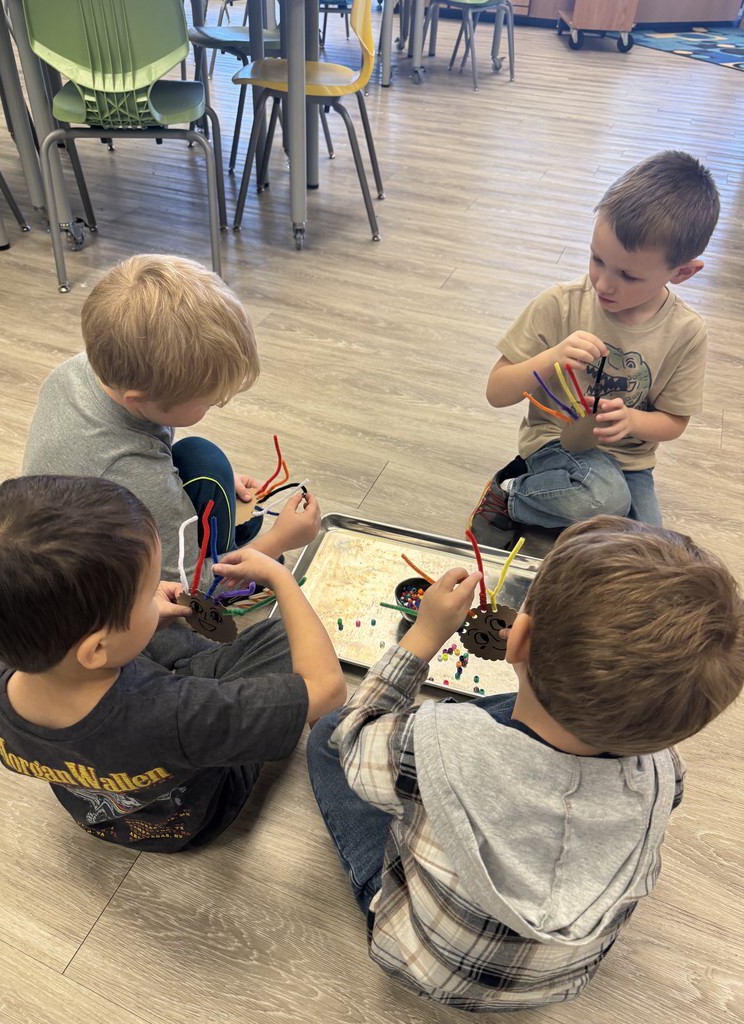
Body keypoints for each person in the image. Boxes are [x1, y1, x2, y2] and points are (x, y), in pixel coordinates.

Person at [306, 516, 744, 1012]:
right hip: (551, 983)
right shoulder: (667, 775)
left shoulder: (429, 743)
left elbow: (356, 736)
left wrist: (423, 636)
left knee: (327, 736)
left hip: (420, 959)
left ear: (515, 640)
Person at [0, 475, 346, 852]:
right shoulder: (179, 714)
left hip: (103, 812)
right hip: (198, 811)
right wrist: (281, 579)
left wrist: (142, 613)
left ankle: (168, 647)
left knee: (156, 634)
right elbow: (328, 689)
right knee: (284, 637)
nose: (158, 594)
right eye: (147, 593)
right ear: (97, 649)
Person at [469, 151, 721, 550]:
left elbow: (674, 421)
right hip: (556, 442)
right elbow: (496, 391)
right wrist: (552, 358)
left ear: (683, 272)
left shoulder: (686, 333)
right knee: (607, 499)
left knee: (654, 551)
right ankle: (509, 496)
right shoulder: (561, 304)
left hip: (631, 464)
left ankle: (569, 513)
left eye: (628, 275)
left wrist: (633, 422)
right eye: (597, 259)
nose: (604, 284)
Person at [22, 254, 319, 591]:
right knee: (220, 563)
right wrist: (279, 541)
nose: (217, 405)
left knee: (203, 460)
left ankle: (234, 541)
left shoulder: (84, 368)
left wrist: (217, 477)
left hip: (71, 523)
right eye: (208, 402)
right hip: (96, 589)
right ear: (140, 398)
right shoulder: (131, 472)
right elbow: (190, 589)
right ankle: (243, 556)